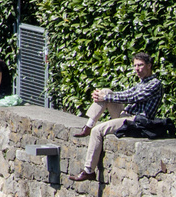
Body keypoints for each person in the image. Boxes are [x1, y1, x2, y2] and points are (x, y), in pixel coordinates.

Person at [69, 52, 163, 182]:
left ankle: (88, 171)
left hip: (136, 121)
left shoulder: (155, 84)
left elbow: (133, 97)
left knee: (98, 131)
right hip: (126, 115)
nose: (137, 69)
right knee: (106, 91)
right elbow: (126, 93)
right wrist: (103, 96)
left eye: (140, 65)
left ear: (149, 66)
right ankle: (88, 126)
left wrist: (105, 98)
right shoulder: (142, 82)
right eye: (135, 66)